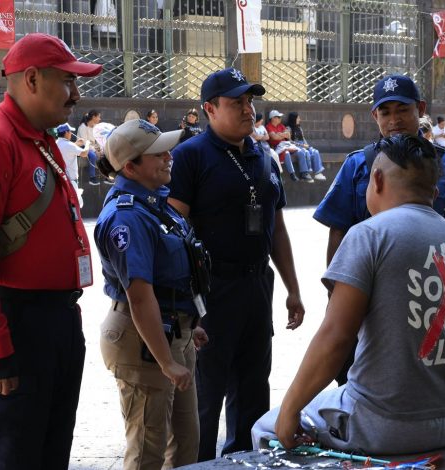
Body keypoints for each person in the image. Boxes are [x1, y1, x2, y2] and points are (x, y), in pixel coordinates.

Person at [252, 134, 445, 454]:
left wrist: (289, 410)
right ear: (435, 192)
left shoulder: (369, 235)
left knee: (266, 427)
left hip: (382, 422)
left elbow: (335, 338)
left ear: (376, 179)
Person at [0, 33, 101, 469]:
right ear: (32, 79)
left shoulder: (37, 137)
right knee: (13, 457)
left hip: (56, 321)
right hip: (16, 324)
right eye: (68, 81)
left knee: (51, 454)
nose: (76, 94)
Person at [167, 67, 306, 460]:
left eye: (250, 102)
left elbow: (277, 228)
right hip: (211, 290)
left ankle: (245, 460)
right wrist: (184, 304)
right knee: (205, 395)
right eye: (237, 103)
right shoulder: (189, 156)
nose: (249, 110)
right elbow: (175, 234)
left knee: (252, 389)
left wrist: (292, 288)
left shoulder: (263, 156)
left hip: (256, 286)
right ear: (210, 108)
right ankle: (200, 464)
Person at [314, 74, 445, 387]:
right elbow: (338, 231)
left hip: (427, 291)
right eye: (386, 112)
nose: (394, 120)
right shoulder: (357, 166)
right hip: (366, 288)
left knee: (420, 369)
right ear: (375, 116)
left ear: (419, 108)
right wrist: (336, 291)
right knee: (356, 372)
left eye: (402, 110)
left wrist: (424, 234)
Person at [95, 120, 210, 470]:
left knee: (186, 442)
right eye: (157, 154)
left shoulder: (155, 203)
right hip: (143, 340)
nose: (168, 157)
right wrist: (165, 361)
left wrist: (191, 323)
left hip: (174, 332)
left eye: (167, 150)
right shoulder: (127, 217)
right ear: (130, 167)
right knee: (147, 450)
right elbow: (140, 297)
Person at [266, 109, 312, 182]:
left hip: (286, 145)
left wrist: (278, 134)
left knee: (300, 152)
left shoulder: (281, 125)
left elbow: (288, 135)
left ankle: (304, 173)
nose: (281, 118)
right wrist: (282, 135)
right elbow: (274, 137)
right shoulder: (268, 126)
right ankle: (292, 174)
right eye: (279, 117)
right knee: (286, 153)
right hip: (277, 148)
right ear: (273, 118)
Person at [55, 123, 89, 208]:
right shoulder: (69, 145)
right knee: (74, 205)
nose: (71, 133)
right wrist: (87, 144)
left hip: (59, 178)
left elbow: (68, 149)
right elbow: (84, 153)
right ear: (66, 132)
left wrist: (76, 144)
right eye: (70, 131)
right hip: (71, 180)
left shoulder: (56, 143)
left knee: (64, 204)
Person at [287, 111, 326, 181]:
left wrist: (307, 145)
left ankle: (318, 172)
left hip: (303, 145)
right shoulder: (288, 128)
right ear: (294, 118)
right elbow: (289, 141)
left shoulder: (299, 128)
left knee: (315, 151)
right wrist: (301, 145)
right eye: (298, 118)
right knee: (305, 152)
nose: (299, 119)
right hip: (296, 146)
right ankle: (305, 173)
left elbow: (303, 138)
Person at [77, 109, 103, 185]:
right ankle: (92, 177)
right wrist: (95, 151)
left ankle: (106, 177)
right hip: (83, 147)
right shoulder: (83, 127)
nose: (100, 119)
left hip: (92, 146)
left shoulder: (96, 127)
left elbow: (98, 140)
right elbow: (85, 143)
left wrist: (100, 149)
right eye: (98, 117)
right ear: (93, 117)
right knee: (93, 155)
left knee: (104, 154)